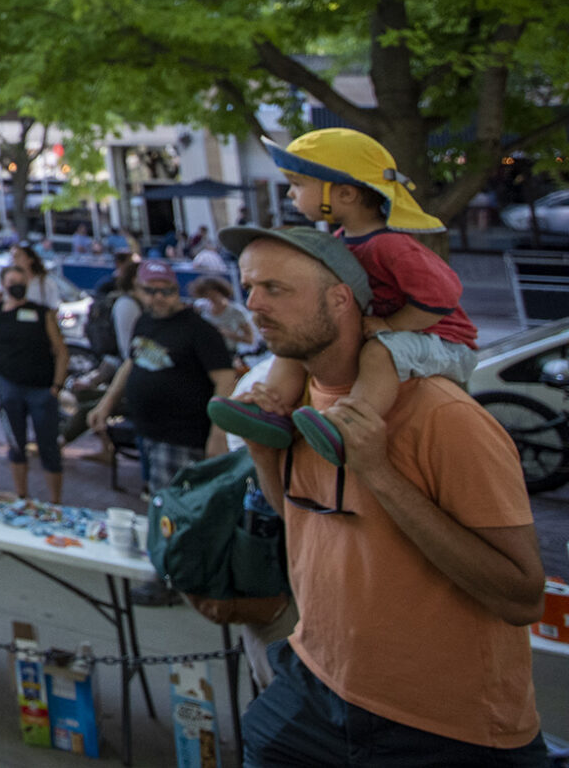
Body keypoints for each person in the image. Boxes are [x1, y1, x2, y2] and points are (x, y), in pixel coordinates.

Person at [225, 224, 544, 766]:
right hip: (314, 687)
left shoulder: (445, 417)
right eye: (249, 287)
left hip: (442, 729)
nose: (254, 304)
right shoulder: (292, 403)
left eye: (276, 289)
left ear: (341, 299)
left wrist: (378, 470)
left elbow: (522, 596)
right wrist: (262, 454)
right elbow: (307, 528)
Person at [210, 129, 475, 469]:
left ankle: (348, 425)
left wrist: (390, 325)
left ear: (346, 193)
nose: (290, 193)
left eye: (298, 184)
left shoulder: (390, 245)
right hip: (401, 334)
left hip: (442, 341)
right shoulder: (343, 240)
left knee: (380, 353)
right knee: (296, 345)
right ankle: (269, 409)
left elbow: (444, 295)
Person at [85, 260, 238, 498]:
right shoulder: (144, 321)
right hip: (147, 430)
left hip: (183, 436)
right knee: (159, 501)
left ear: (176, 290)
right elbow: (132, 361)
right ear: (138, 290)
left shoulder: (199, 330)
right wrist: (105, 403)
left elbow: (226, 380)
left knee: (176, 509)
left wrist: (218, 435)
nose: (159, 297)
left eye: (166, 290)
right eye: (150, 290)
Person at [0, 251, 69, 503]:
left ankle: (55, 501)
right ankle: (21, 495)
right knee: (15, 445)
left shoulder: (42, 313)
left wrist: (56, 385)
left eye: (20, 283)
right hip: (9, 386)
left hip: (41, 389)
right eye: (11, 284)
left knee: (48, 447)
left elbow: (61, 351)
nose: (16, 288)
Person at [193, 275, 257, 354]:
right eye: (207, 296)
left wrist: (229, 334)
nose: (211, 299)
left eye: (213, 295)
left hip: (229, 351)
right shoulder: (201, 307)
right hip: (207, 350)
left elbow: (250, 339)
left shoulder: (237, 311)